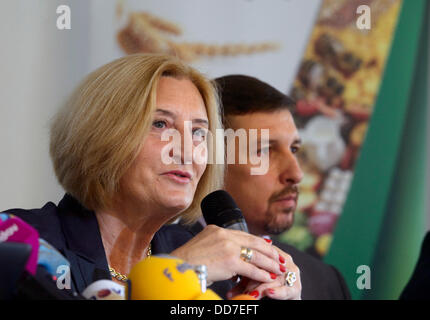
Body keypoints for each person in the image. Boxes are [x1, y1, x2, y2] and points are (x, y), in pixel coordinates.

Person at [3, 54, 301, 300]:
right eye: (160, 124)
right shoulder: (17, 245)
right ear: (100, 135)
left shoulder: (212, 267)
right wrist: (176, 271)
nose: (186, 151)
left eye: (199, 132)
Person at [189, 74, 350, 299]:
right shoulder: (160, 254)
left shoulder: (326, 282)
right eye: (265, 151)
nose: (296, 174)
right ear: (210, 159)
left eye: (294, 149)